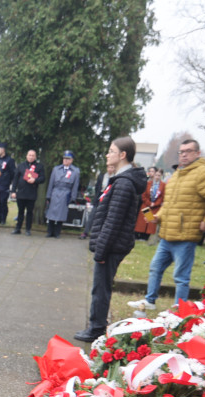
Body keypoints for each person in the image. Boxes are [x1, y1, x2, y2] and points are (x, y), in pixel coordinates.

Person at [128, 139, 205, 310]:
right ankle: (150, 301)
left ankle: (179, 308)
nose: (183, 154)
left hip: (186, 236)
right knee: (155, 268)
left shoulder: (202, 174)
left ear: (198, 153)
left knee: (181, 276)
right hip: (167, 235)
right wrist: (157, 217)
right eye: (181, 152)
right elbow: (169, 205)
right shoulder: (176, 175)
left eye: (188, 151)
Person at [74, 137, 147, 343]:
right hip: (112, 244)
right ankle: (96, 325)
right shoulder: (121, 180)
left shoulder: (124, 183)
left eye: (111, 151)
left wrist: (101, 250)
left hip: (111, 245)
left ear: (122, 155)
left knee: (101, 287)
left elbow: (113, 221)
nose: (107, 154)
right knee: (101, 286)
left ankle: (96, 328)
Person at [45, 150, 81, 238]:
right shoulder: (56, 169)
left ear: (71, 160)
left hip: (66, 193)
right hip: (55, 192)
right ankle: (50, 231)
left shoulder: (75, 171)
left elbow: (75, 185)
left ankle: (57, 232)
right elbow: (51, 183)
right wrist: (48, 195)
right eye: (64, 158)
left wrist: (73, 197)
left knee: (62, 213)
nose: (66, 160)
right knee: (51, 213)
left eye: (68, 159)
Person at [10, 149, 45, 235]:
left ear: (35, 157)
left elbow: (43, 178)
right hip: (21, 193)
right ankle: (18, 228)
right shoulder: (21, 166)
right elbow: (15, 179)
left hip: (31, 193)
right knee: (20, 212)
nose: (31, 157)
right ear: (26, 156)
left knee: (29, 212)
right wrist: (13, 191)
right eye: (29, 155)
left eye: (33, 155)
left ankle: (28, 229)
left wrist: (35, 180)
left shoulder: (39, 166)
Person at [134, 166, 165, 241]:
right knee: (143, 221)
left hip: (155, 206)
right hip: (146, 205)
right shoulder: (148, 183)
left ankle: (146, 236)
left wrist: (155, 204)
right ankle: (139, 235)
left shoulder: (163, 185)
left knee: (150, 222)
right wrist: (149, 203)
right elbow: (143, 195)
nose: (157, 177)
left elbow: (162, 196)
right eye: (156, 175)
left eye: (159, 175)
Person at [0, 143, 15, 225]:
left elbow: (13, 173)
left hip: (4, 185)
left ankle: (3, 219)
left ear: (3, 149)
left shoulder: (10, 160)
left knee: (3, 202)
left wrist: (10, 183)